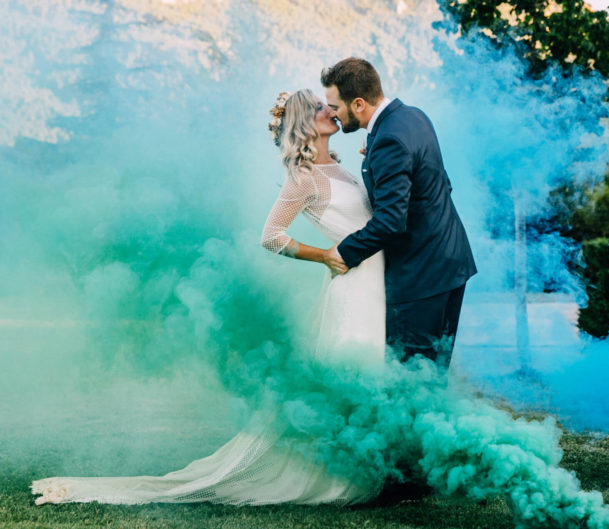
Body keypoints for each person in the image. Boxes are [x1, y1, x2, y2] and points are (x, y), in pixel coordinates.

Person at [30, 88, 386, 507]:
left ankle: (374, 466)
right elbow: (270, 237)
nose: (332, 110)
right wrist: (323, 254)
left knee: (374, 372)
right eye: (321, 108)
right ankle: (343, 477)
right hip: (352, 283)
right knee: (351, 372)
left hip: (377, 281)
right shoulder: (302, 178)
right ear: (305, 124)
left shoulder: (340, 167)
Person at [320, 57, 477, 371]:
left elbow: (391, 221)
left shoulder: (389, 139)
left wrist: (344, 252)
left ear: (359, 104)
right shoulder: (413, 116)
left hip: (421, 277)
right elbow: (441, 183)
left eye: (336, 106)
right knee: (432, 375)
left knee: (410, 380)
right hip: (450, 264)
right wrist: (378, 153)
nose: (332, 114)